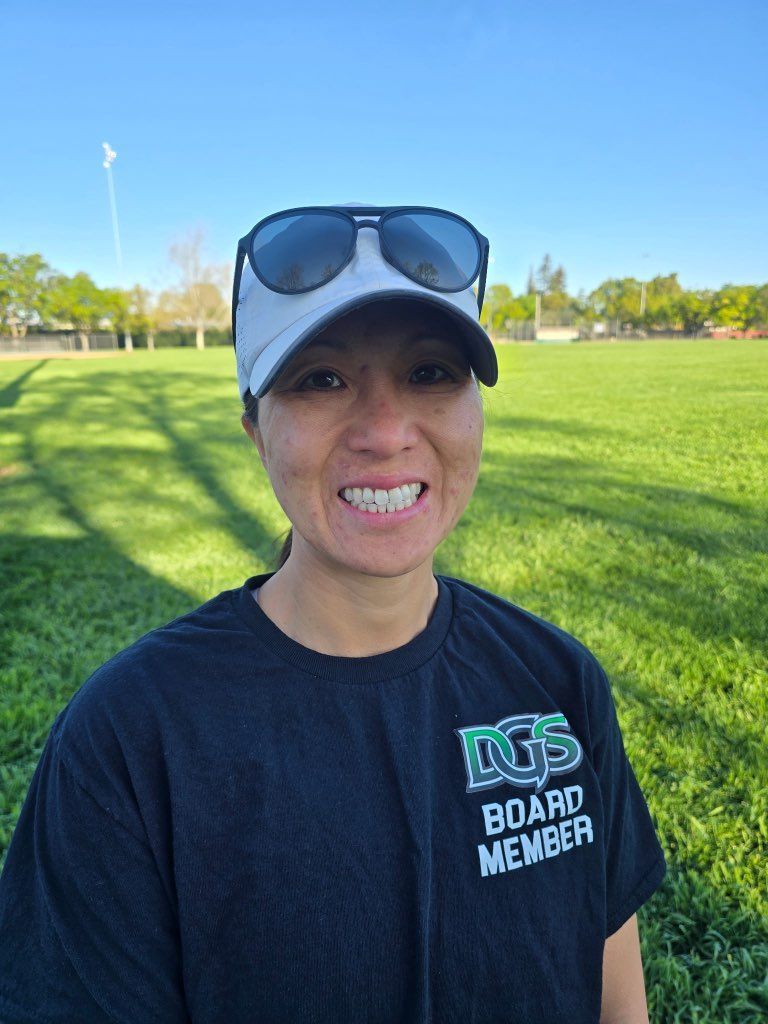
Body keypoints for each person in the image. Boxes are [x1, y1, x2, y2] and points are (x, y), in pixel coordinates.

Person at [0, 202, 666, 1024]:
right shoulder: (128, 740)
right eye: (321, 379)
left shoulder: (559, 681)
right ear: (255, 428)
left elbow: (618, 999)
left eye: (431, 373)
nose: (386, 433)